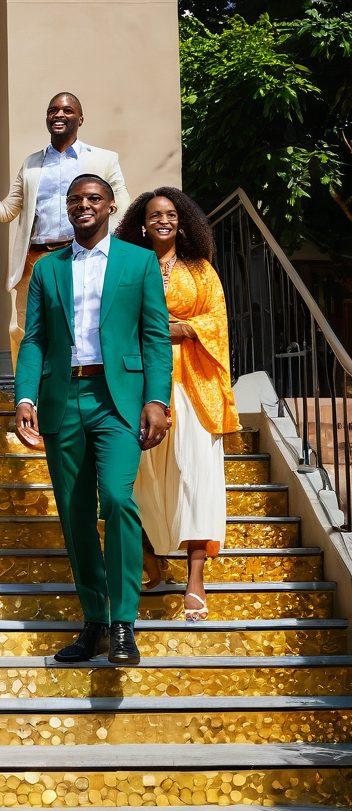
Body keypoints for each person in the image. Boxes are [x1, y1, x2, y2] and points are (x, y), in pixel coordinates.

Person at [14, 174, 172, 667]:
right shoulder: (47, 269)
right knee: (75, 513)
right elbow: (35, 338)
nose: (84, 206)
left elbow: (155, 337)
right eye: (75, 200)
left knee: (119, 500)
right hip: (64, 398)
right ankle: (95, 622)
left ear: (109, 207)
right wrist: (24, 397)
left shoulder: (139, 262)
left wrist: (157, 400)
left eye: (93, 199)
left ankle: (124, 623)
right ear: (67, 208)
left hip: (117, 398)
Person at [115, 187, 239, 621]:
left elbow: (216, 321)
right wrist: (155, 332)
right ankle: (151, 559)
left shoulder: (200, 270)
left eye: (170, 214)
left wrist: (179, 328)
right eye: (154, 215)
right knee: (143, 475)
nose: (163, 220)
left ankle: (195, 578)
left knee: (195, 473)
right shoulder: (128, 266)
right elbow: (116, 320)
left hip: (193, 383)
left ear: (182, 221)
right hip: (141, 382)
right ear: (141, 224)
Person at [0, 93, 130, 368]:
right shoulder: (32, 163)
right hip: (36, 260)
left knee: (82, 324)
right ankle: (29, 396)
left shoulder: (103, 160)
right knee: (24, 330)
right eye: (53, 110)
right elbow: (7, 211)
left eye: (67, 110)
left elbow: (122, 207)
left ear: (80, 119)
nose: (59, 115)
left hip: (81, 254)